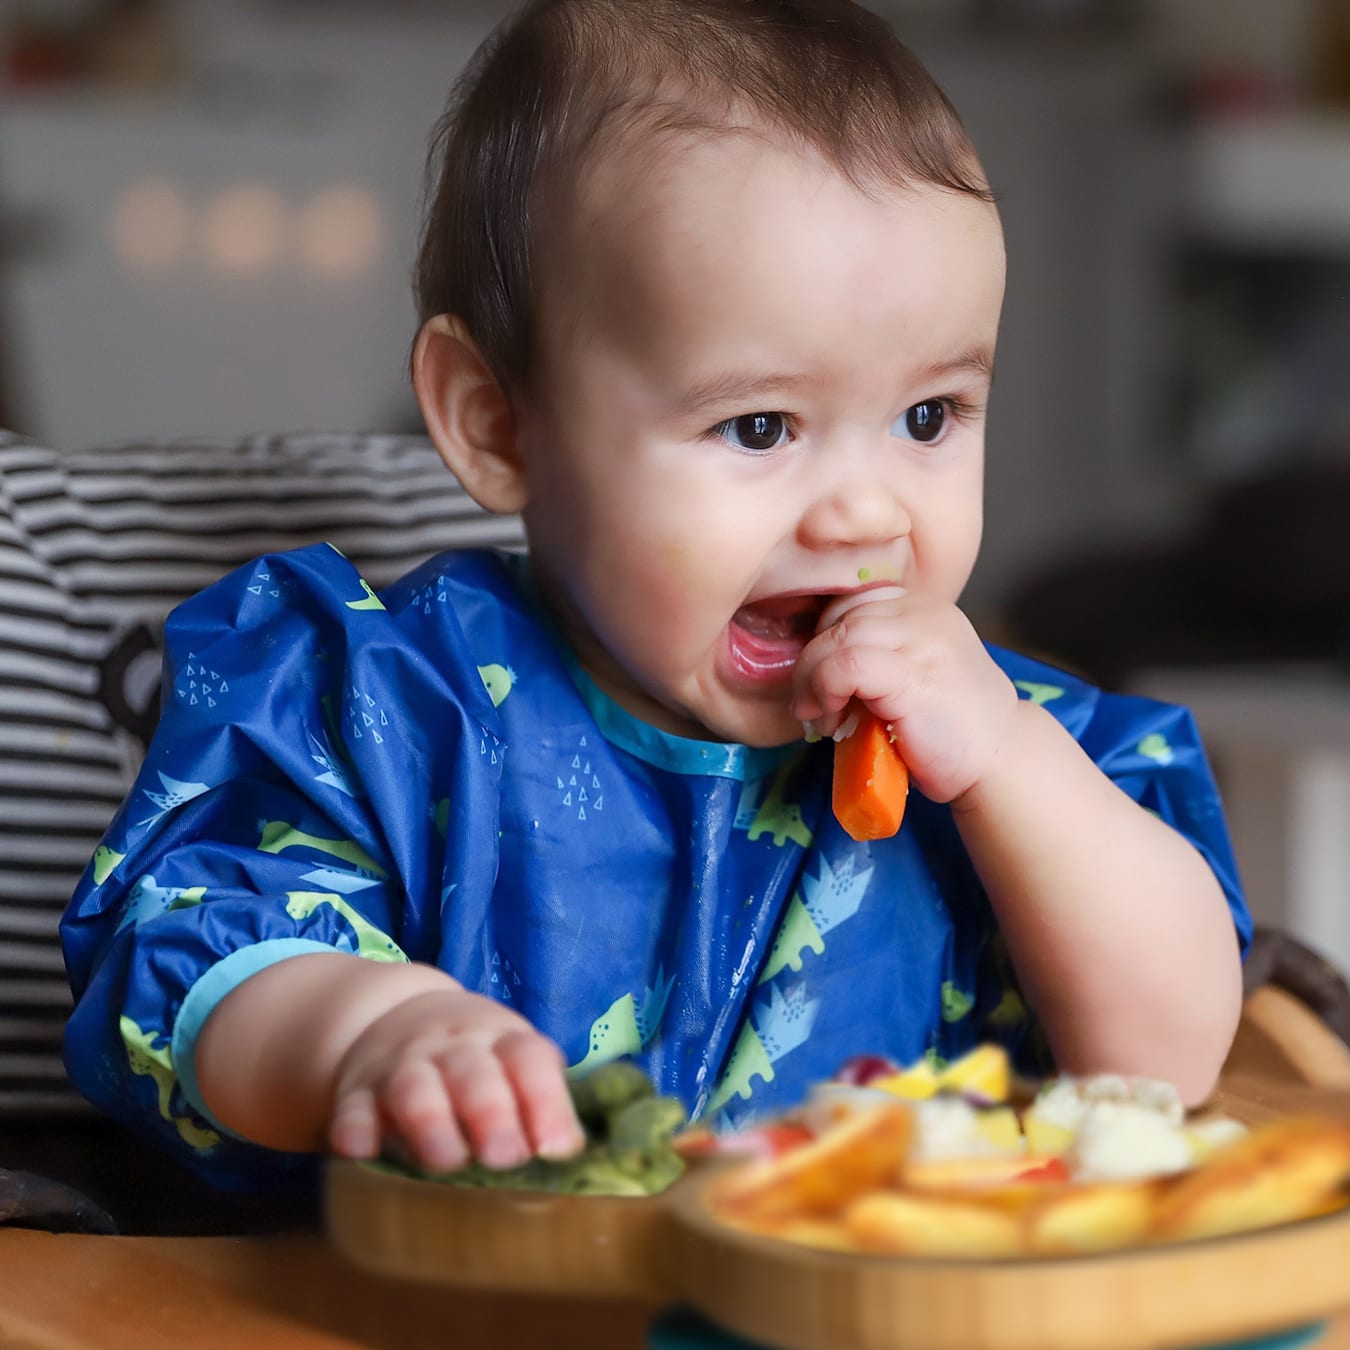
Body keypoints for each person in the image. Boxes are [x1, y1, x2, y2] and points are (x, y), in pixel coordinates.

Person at [60, 0, 1248, 1190]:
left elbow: (1170, 1061)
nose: (867, 513)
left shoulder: (1008, 749)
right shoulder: (383, 708)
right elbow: (191, 961)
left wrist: (1009, 767)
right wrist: (366, 1035)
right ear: (497, 423)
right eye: (760, 425)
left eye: (928, 417)